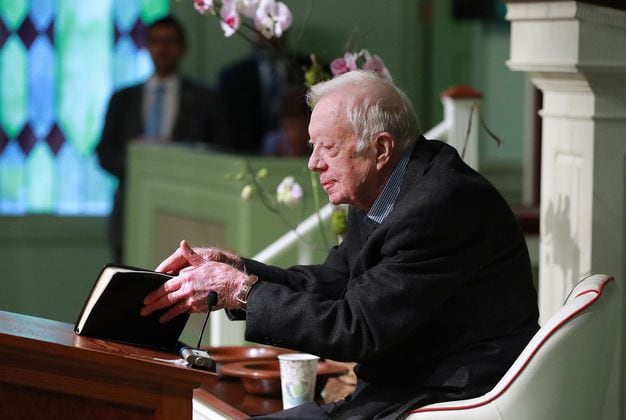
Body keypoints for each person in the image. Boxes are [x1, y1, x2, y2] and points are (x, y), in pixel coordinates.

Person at [141, 70, 540, 419]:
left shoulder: (440, 205)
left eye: (327, 148)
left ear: (381, 149)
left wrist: (241, 291)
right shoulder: (387, 187)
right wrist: (239, 271)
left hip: (445, 401)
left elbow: (355, 327)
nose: (313, 163)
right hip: (400, 389)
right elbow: (333, 282)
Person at [97, 15, 229, 263]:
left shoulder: (205, 98)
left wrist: (178, 156)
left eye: (169, 42)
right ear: (147, 46)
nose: (162, 49)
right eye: (156, 41)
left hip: (186, 208)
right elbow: (104, 152)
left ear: (182, 48)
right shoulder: (123, 99)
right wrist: (140, 165)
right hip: (131, 208)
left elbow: (220, 150)